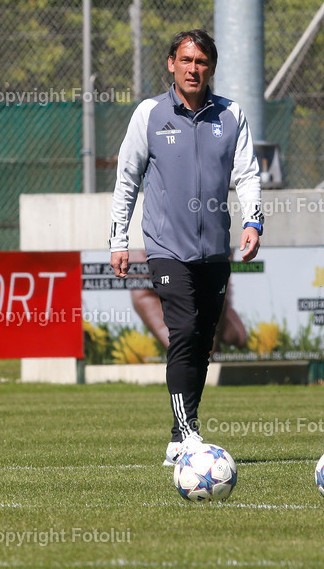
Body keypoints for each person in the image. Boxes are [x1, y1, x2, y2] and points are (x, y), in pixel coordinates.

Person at [109, 29, 263, 466]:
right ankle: (189, 431)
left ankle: (180, 437)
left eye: (201, 62)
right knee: (184, 331)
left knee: (203, 341)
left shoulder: (231, 114)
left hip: (215, 250)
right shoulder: (149, 113)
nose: (193, 69)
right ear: (172, 65)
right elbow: (127, 178)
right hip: (165, 248)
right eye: (186, 60)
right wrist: (118, 240)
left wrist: (253, 221)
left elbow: (247, 174)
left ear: (211, 68)